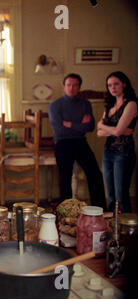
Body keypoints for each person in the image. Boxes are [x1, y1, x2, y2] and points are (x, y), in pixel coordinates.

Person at [49, 73, 106, 208]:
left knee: (95, 174)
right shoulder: (55, 105)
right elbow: (59, 130)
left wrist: (69, 124)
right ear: (64, 87)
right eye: (69, 85)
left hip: (80, 142)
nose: (72, 88)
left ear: (79, 87)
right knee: (65, 177)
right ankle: (66, 211)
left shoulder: (85, 104)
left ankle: (100, 209)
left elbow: (90, 127)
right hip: (63, 143)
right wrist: (80, 125)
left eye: (75, 85)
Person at [97, 71, 137, 213]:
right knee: (112, 195)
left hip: (123, 152)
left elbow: (117, 132)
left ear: (124, 84)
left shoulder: (131, 104)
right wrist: (114, 129)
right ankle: (111, 226)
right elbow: (99, 132)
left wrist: (108, 127)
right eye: (109, 85)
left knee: (121, 195)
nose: (113, 88)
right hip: (108, 152)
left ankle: (126, 229)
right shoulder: (109, 105)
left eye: (116, 84)